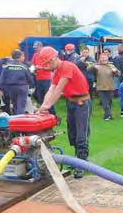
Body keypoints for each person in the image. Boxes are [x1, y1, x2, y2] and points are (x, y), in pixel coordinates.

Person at [35, 46, 91, 179]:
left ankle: (81, 164)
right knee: (72, 135)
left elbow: (59, 89)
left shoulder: (67, 66)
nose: (46, 67)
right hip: (71, 102)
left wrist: (48, 106)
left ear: (53, 59)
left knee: (81, 135)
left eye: (47, 63)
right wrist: (42, 107)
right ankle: (78, 161)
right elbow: (51, 89)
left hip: (82, 103)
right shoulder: (57, 72)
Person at [0, 50, 34, 115]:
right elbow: (29, 78)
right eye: (23, 56)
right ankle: (19, 121)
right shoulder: (23, 66)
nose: (24, 58)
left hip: (11, 88)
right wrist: (32, 86)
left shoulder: (7, 67)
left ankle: (16, 119)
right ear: (20, 57)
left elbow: (2, 78)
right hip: (22, 87)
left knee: (15, 104)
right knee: (21, 105)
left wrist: (0, 89)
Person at [87, 53, 120, 121]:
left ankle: (107, 115)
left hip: (110, 87)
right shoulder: (97, 66)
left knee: (109, 102)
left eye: (105, 58)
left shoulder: (111, 66)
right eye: (102, 58)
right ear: (100, 59)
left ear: (107, 58)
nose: (104, 59)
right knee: (105, 103)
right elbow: (88, 69)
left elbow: (118, 74)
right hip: (101, 88)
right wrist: (93, 65)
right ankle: (107, 116)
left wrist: (116, 71)